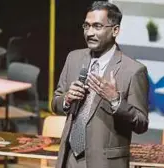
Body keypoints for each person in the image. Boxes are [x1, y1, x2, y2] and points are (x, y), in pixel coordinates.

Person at [52, 1, 149, 168]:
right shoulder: (74, 59)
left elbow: (141, 124)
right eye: (86, 26)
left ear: (115, 30)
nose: (90, 33)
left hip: (105, 162)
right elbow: (55, 103)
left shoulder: (133, 70)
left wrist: (115, 101)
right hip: (69, 159)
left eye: (97, 26)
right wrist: (67, 99)